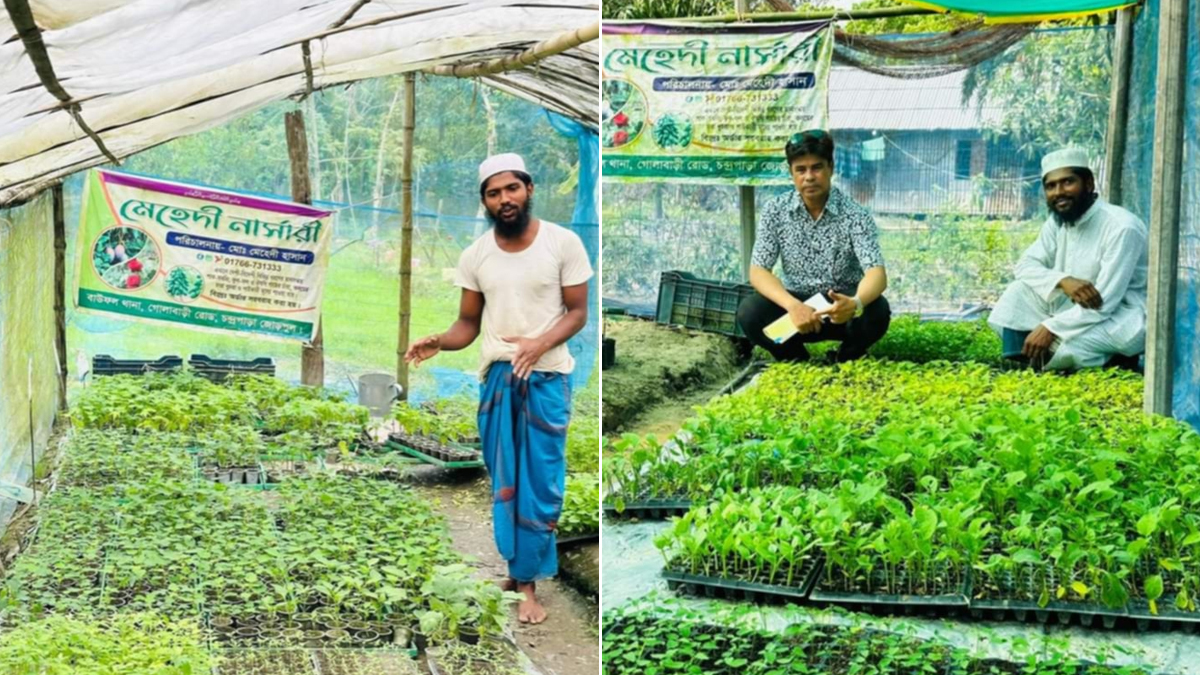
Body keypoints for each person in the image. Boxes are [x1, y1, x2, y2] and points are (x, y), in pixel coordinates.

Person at [405, 153, 592, 625]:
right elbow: (468, 323)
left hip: (546, 379)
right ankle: (518, 575)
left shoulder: (561, 243)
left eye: (511, 188)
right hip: (498, 383)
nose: (504, 199)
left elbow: (577, 312)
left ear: (528, 188)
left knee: (541, 483)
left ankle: (527, 583)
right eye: (493, 193)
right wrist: (440, 342)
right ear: (484, 201)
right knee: (505, 480)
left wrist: (538, 344)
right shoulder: (477, 256)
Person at [736, 129, 891, 362]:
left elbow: (876, 274)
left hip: (840, 307)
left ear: (831, 167)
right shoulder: (775, 211)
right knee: (750, 312)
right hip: (795, 309)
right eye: (801, 169)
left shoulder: (855, 215)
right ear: (792, 173)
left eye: (816, 167)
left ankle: (846, 357)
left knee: (877, 309)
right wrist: (792, 305)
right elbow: (758, 271)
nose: (809, 177)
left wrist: (854, 303)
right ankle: (795, 359)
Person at [988, 147, 1147, 371]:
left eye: (1067, 182)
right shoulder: (1057, 222)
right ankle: (1046, 362)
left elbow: (1105, 303)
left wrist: (1050, 327)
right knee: (1015, 296)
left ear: (1089, 183)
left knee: (1069, 345)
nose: (1058, 192)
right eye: (1050, 186)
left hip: (1121, 316)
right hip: (1075, 308)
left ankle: (1114, 361)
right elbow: (1024, 266)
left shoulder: (1122, 227)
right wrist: (1064, 281)